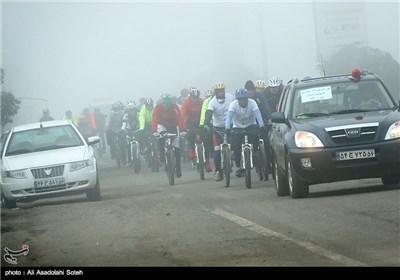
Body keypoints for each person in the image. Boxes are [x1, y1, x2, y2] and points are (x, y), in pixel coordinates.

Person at [225, 88, 266, 177]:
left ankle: (255, 156)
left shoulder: (252, 103)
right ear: (237, 100)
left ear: (247, 99)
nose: (242, 101)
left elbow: (258, 115)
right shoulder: (233, 105)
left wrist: (262, 126)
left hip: (251, 125)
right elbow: (229, 117)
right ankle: (239, 166)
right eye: (240, 100)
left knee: (255, 140)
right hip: (238, 127)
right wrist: (227, 128)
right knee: (236, 146)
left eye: (244, 99)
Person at [204, 82, 235, 181]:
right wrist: (207, 124)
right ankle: (218, 171)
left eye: (222, 90)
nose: (221, 93)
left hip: (230, 125)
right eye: (219, 91)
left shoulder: (230, 97)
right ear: (215, 92)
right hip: (217, 127)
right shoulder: (212, 102)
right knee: (217, 149)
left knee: (235, 143)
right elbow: (208, 115)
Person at [152, 93, 186, 178]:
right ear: (162, 102)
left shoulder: (175, 107)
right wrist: (154, 131)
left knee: (177, 148)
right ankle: (162, 157)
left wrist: (182, 130)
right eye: (165, 103)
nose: (166, 105)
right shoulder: (157, 108)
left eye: (168, 103)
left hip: (173, 126)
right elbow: (155, 120)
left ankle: (178, 169)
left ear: (171, 102)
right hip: (161, 125)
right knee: (161, 138)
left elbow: (180, 119)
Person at [180, 87, 204, 162]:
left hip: (200, 121)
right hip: (189, 121)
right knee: (190, 134)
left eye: (197, 98)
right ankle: (191, 149)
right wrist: (182, 125)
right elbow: (183, 114)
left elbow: (205, 112)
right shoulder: (186, 102)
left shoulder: (202, 101)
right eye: (194, 98)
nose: (195, 99)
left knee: (204, 134)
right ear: (190, 96)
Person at [199, 89, 215, 173]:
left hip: (220, 122)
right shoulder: (207, 101)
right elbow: (204, 113)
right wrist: (202, 124)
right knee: (207, 139)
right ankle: (207, 159)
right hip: (209, 121)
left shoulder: (227, 99)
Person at [121, 100, 140, 166]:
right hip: (129, 131)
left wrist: (141, 129)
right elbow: (124, 125)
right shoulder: (126, 116)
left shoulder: (138, 115)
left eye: (132, 110)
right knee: (128, 146)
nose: (131, 111)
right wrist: (123, 130)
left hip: (138, 130)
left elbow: (141, 123)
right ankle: (129, 160)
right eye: (130, 110)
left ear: (135, 110)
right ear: (127, 111)